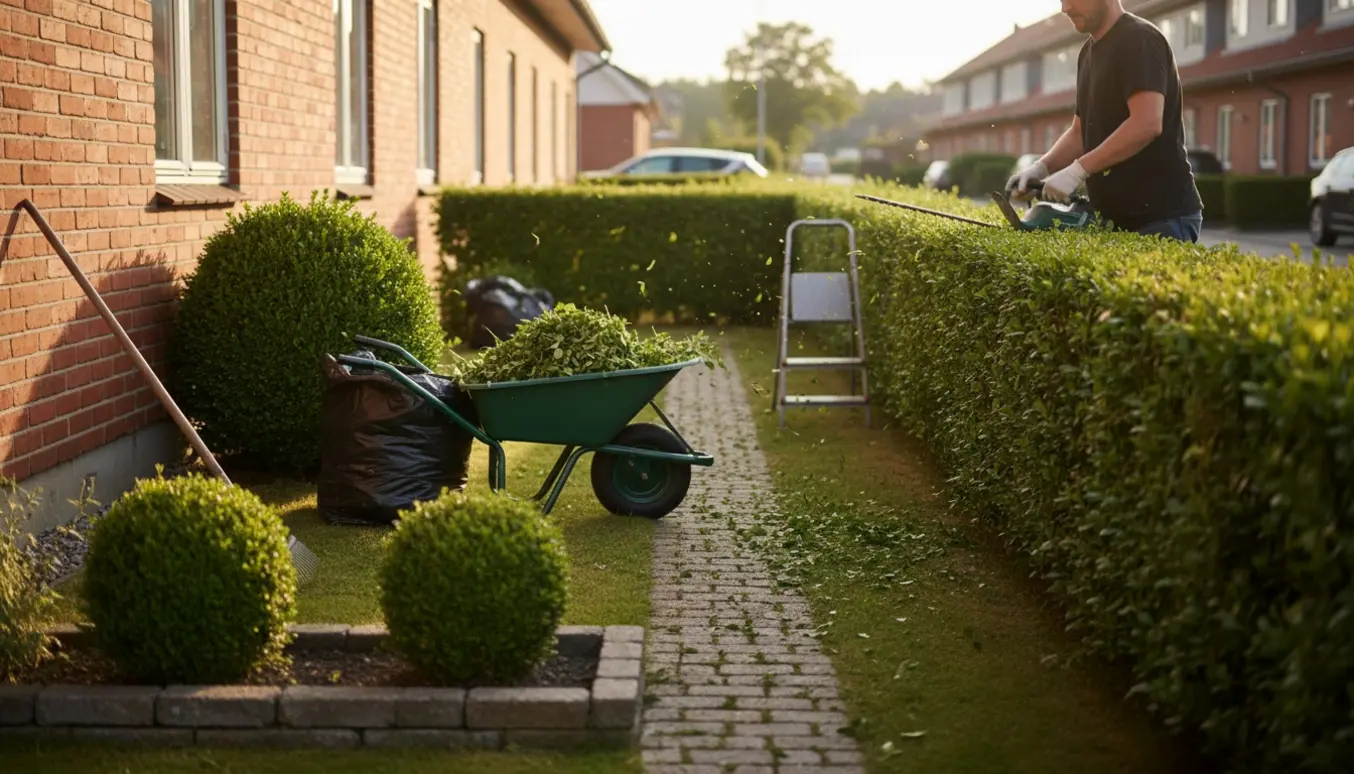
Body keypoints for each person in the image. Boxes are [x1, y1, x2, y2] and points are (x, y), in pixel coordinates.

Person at [1008, 0, 1204, 242]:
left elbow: (1146, 124)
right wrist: (1041, 168)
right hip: (1116, 216)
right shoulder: (1087, 54)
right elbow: (1080, 132)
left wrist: (1076, 171)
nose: (1065, 9)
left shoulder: (1140, 40)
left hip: (1161, 217)